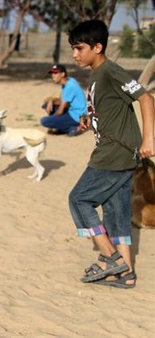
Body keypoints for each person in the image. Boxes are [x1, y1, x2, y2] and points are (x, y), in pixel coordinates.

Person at [67, 19, 154, 289]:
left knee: (79, 199)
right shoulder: (97, 74)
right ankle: (125, 273)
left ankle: (110, 257)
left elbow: (145, 98)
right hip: (116, 150)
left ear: (98, 46)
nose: (75, 54)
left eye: (80, 48)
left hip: (114, 153)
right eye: (73, 48)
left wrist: (149, 138)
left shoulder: (110, 71)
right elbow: (108, 109)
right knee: (116, 213)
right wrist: (88, 119)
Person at [40, 64, 87, 136]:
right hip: (74, 112)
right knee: (46, 104)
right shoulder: (68, 81)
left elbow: (60, 111)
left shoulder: (69, 86)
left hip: (77, 117)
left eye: (55, 73)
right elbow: (61, 100)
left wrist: (51, 120)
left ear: (62, 74)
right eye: (52, 73)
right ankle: (61, 126)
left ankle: (74, 128)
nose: (53, 75)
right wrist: (51, 101)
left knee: (44, 121)